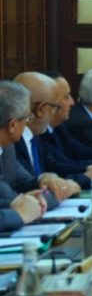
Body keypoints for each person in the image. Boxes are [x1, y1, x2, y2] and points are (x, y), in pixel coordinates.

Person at [39, 71, 92, 184]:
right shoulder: (38, 134)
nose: (72, 102)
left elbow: (80, 151)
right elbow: (59, 166)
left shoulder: (59, 126)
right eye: (66, 97)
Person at [0, 81, 49, 231]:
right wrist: (19, 214)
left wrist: (18, 202)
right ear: (12, 125)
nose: (27, 124)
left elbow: (18, 184)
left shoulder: (7, 148)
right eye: (27, 118)